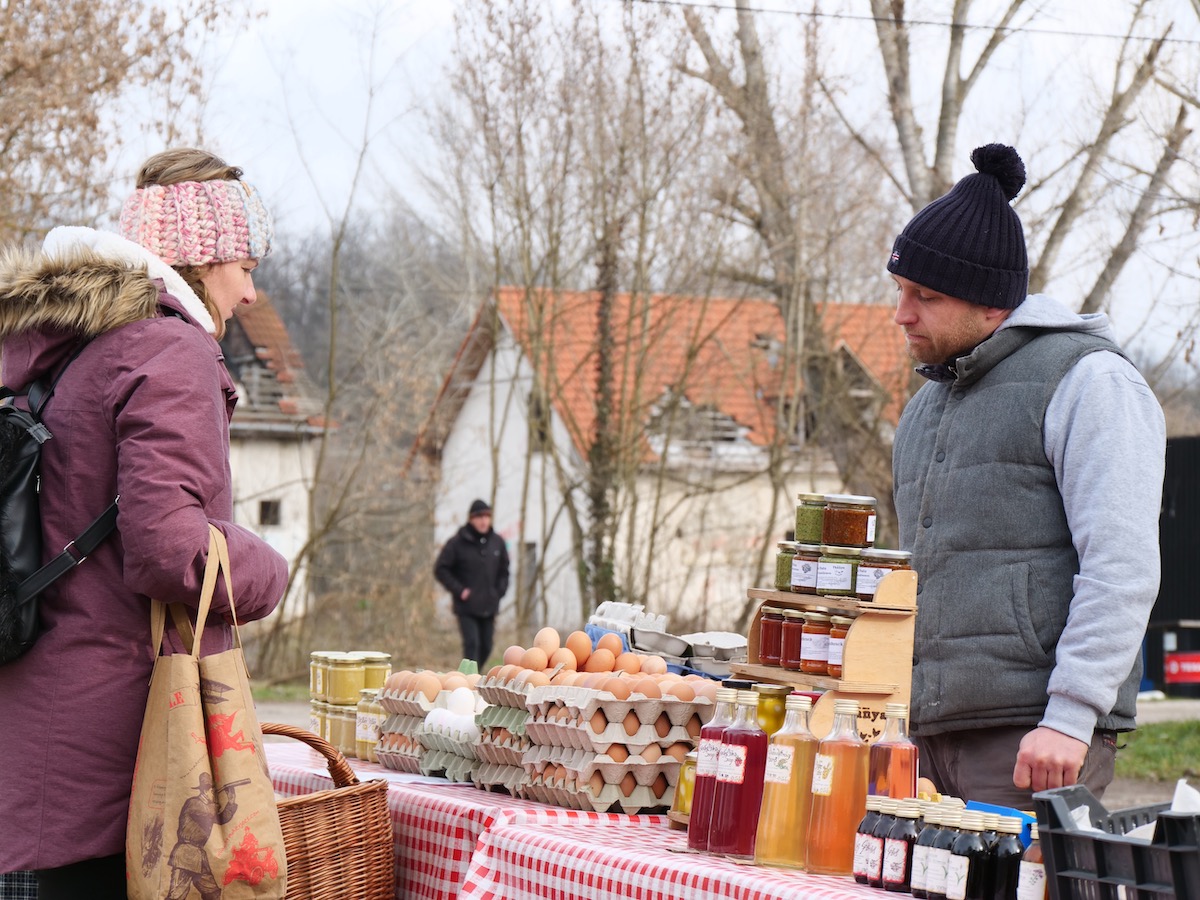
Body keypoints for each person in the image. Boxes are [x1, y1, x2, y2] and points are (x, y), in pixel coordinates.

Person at [0, 148, 288, 898]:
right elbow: (167, 551)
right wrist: (267, 568)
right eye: (245, 266)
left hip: (33, 732)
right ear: (201, 259)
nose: (252, 293)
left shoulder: (63, 350)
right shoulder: (169, 349)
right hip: (113, 750)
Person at [887, 143, 1165, 807]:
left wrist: (1070, 716)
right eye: (900, 290)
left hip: (1034, 744)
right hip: (922, 738)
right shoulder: (924, 409)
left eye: (925, 295)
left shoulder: (1090, 381)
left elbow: (1122, 565)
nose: (903, 313)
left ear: (990, 304)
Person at [434, 499, 510, 667]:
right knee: (472, 645)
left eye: (486, 516)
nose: (483, 521)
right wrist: (460, 590)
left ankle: (471, 677)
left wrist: (498, 592)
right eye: (479, 517)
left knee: (487, 646)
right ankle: (468, 683)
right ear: (471, 519)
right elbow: (441, 569)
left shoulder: (497, 542)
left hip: (489, 606)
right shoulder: (457, 543)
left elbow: (504, 571)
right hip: (466, 607)